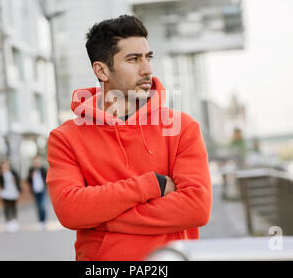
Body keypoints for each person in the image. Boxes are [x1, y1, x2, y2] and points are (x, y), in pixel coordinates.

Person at [46, 14, 212, 261]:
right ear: (101, 70)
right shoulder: (65, 138)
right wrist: (150, 185)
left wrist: (102, 219)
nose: (147, 69)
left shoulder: (181, 127)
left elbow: (196, 207)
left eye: (148, 57)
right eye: (133, 59)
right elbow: (71, 211)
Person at [0, 159, 22, 232]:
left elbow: (17, 179)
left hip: (13, 192)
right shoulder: (1, 174)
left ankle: (14, 221)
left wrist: (15, 181)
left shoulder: (13, 172)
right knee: (6, 207)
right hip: (5, 193)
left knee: (13, 206)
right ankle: (8, 222)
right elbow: (0, 183)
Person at [27, 155, 48, 231]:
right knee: (38, 207)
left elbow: (47, 178)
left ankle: (44, 221)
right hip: (35, 191)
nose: (36, 163)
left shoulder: (43, 169)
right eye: (35, 162)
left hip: (42, 190)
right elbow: (28, 180)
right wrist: (30, 177)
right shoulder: (31, 170)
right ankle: (40, 222)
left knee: (42, 206)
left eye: (37, 162)